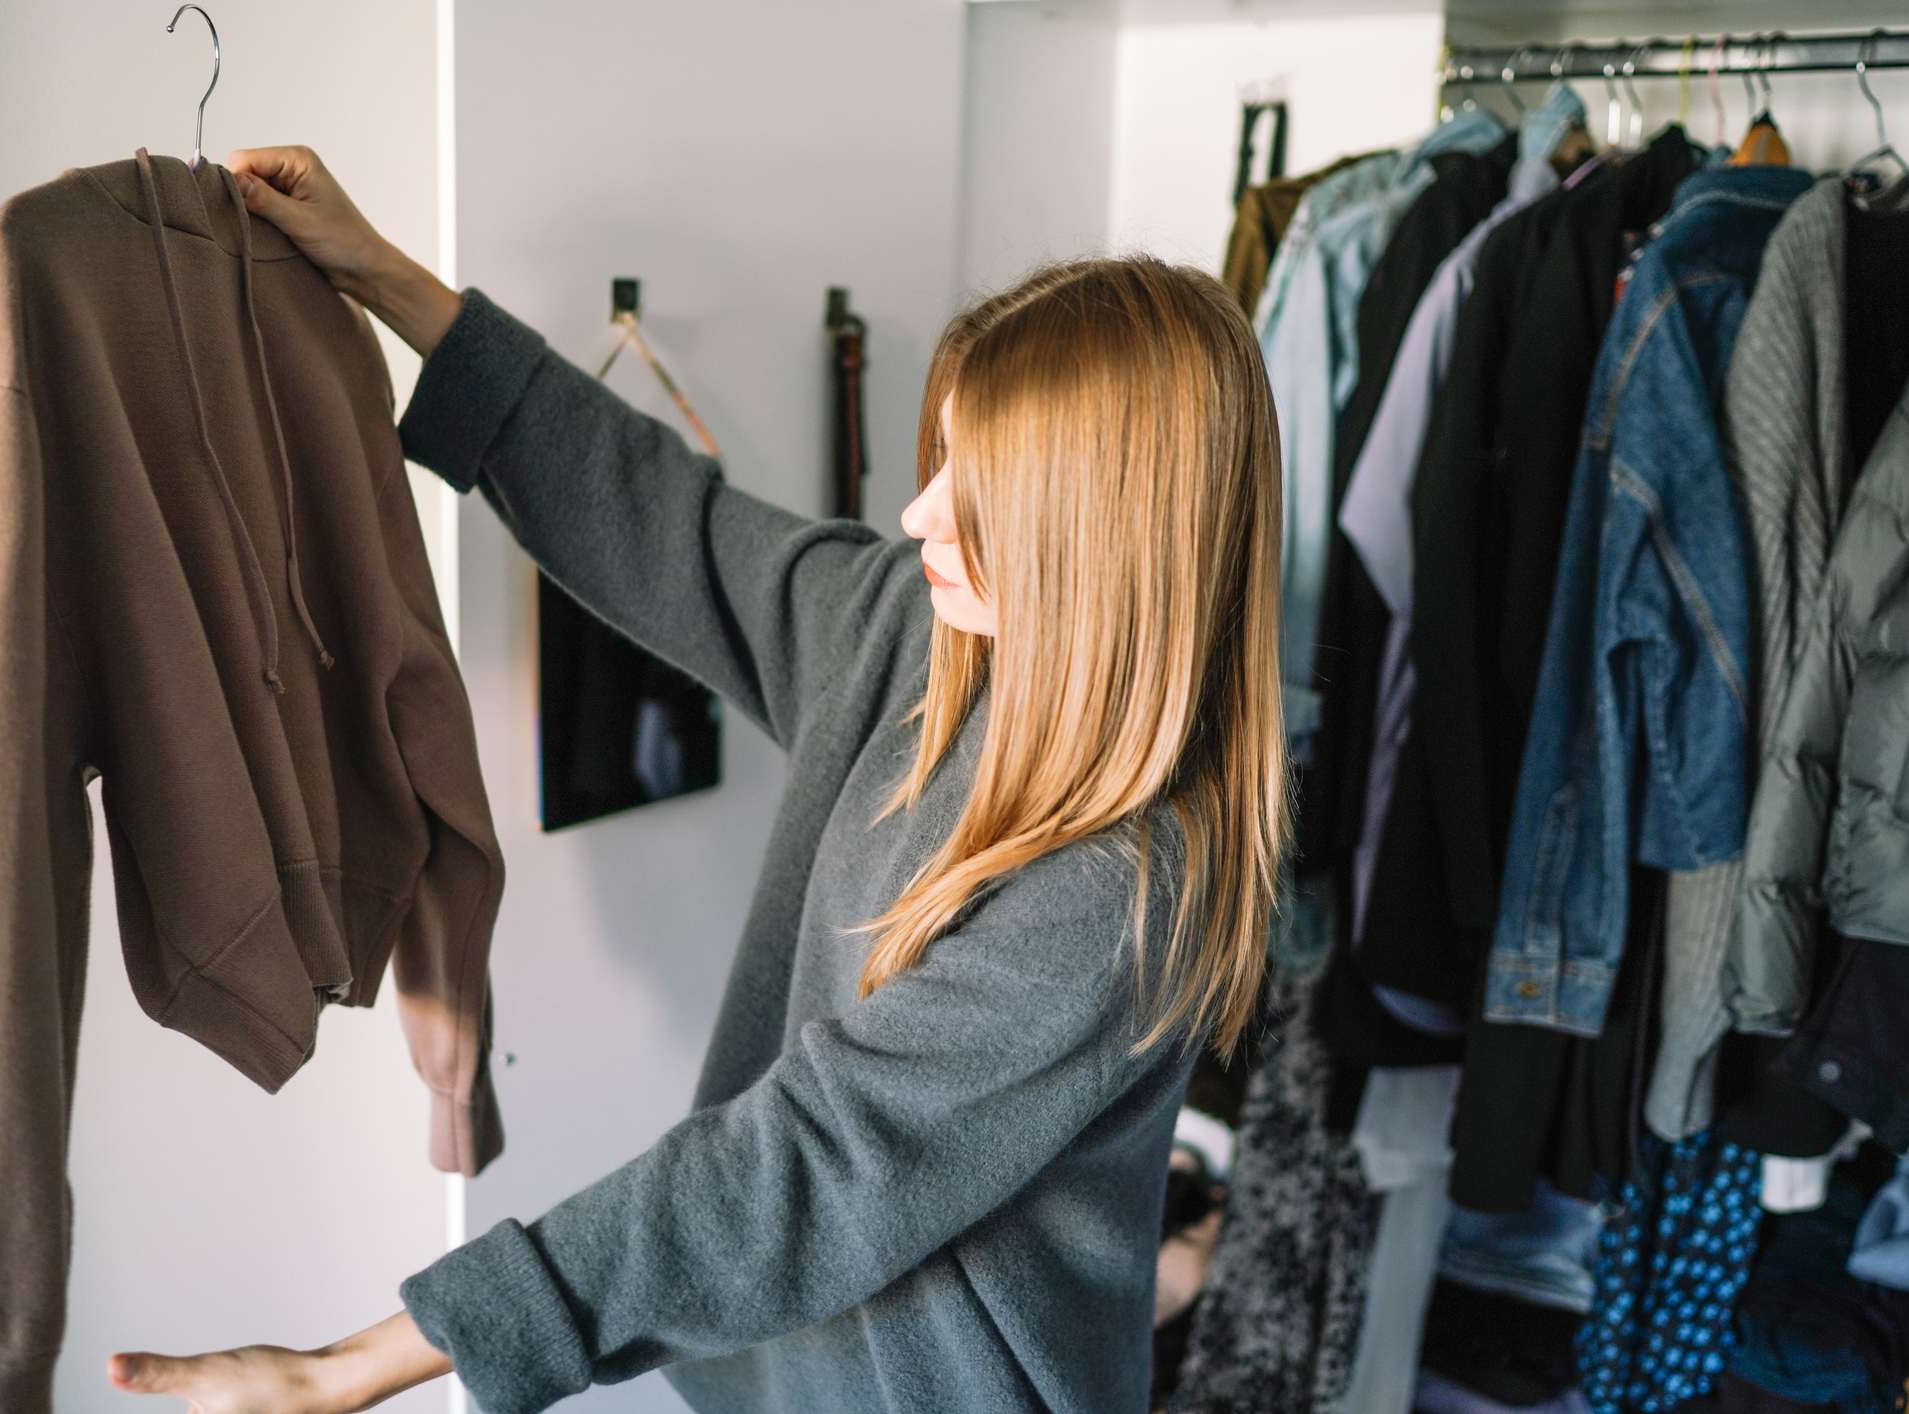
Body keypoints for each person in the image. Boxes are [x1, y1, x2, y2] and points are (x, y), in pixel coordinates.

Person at [107, 144, 1289, 1414]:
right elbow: (669, 526)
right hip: (767, 1380)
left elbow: (807, 1167)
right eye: (937, 463)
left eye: (980, 493)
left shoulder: (1125, 887)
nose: (917, 516)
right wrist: (386, 280)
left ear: (1102, 538)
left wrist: (351, 1364)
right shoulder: (916, 629)